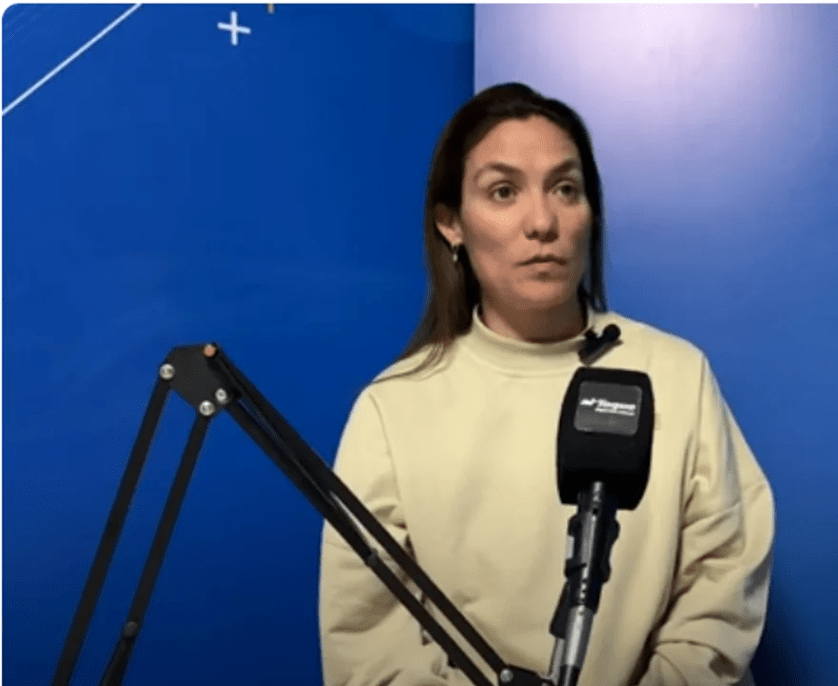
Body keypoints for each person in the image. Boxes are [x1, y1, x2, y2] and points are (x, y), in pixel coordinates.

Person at [318, 83, 775, 686]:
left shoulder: (676, 374)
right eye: (503, 192)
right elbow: (368, 639)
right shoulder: (393, 407)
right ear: (451, 223)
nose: (542, 223)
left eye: (565, 189)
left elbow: (723, 582)